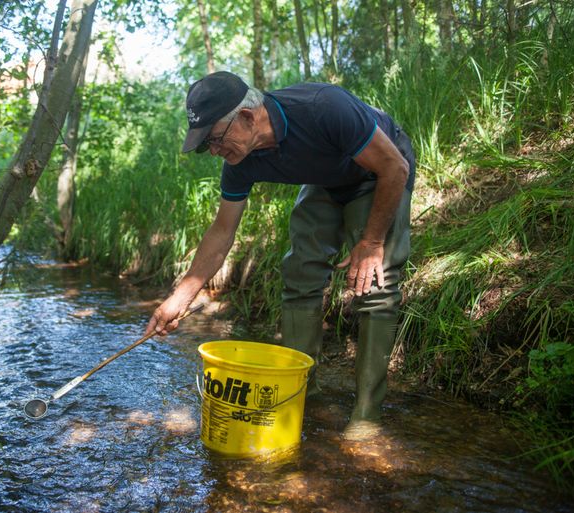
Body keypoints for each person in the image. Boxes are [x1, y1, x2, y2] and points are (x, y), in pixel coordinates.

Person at [145, 71, 414, 440]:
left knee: (375, 283)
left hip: (378, 172)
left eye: (215, 140)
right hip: (327, 179)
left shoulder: (322, 108)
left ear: (247, 117)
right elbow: (222, 233)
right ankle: (301, 392)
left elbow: (394, 167)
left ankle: (367, 414)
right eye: (206, 145)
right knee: (300, 272)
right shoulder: (241, 159)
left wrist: (370, 243)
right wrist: (179, 298)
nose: (214, 151)